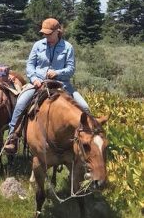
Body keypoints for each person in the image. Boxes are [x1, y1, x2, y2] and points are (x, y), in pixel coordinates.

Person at [5, 17, 90, 154]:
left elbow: (70, 69)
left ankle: (87, 143)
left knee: (85, 107)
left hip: (61, 84)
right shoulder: (38, 45)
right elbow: (30, 65)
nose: (46, 36)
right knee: (21, 103)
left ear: (58, 32)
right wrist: (34, 79)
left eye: (49, 33)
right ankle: (12, 138)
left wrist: (57, 73)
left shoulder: (68, 48)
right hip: (38, 83)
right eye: (44, 33)